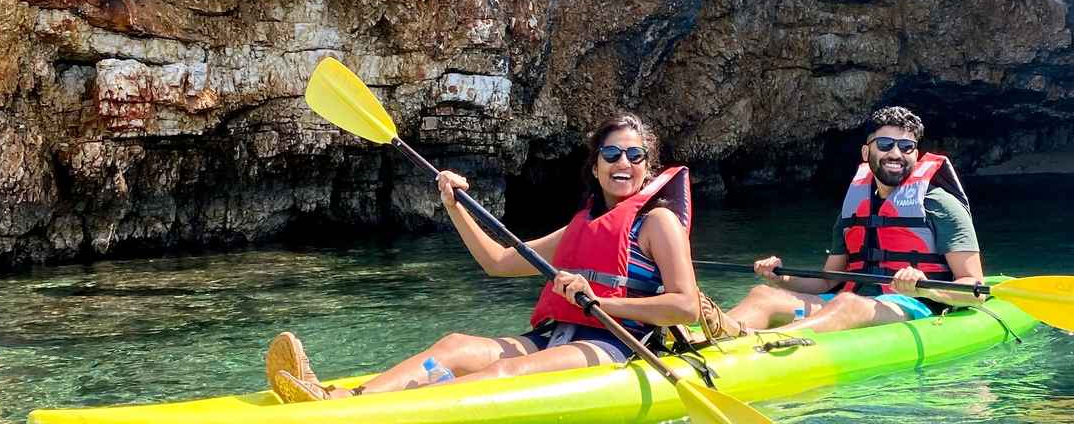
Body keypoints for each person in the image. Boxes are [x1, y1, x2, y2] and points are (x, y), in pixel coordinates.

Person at [263, 114, 700, 403]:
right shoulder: (581, 226)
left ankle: (387, 411)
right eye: (611, 153)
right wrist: (454, 205)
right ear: (596, 164)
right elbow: (498, 261)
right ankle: (348, 398)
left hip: (617, 343)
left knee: (508, 371)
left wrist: (604, 304)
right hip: (559, 335)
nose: (622, 162)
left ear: (648, 165)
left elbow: (686, 305)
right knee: (454, 346)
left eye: (634, 155)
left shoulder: (658, 222)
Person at [721, 105, 983, 334]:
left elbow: (974, 286)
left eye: (906, 147)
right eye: (885, 145)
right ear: (866, 152)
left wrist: (924, 289)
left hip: (914, 304)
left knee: (847, 304)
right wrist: (779, 277)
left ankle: (760, 343)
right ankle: (709, 339)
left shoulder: (940, 204)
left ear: (916, 154)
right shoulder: (855, 206)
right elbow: (827, 281)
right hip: (852, 300)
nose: (896, 153)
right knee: (763, 296)